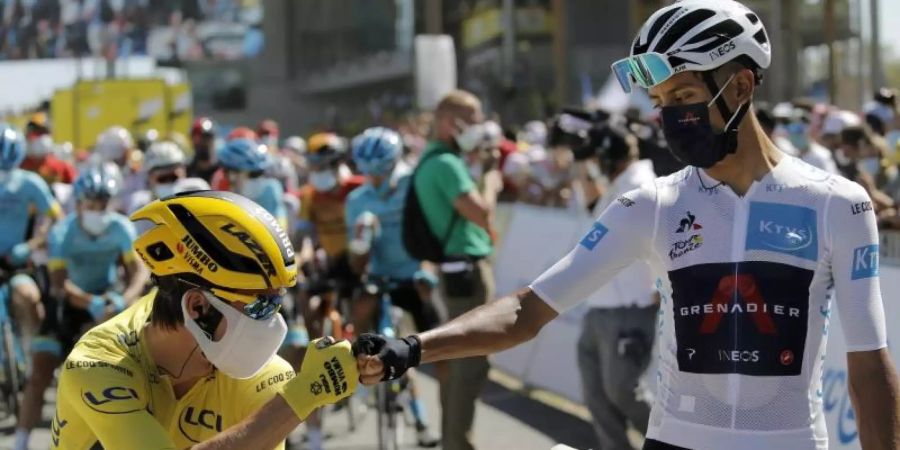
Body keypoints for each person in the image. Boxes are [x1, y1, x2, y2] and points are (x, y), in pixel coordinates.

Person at [354, 2, 900, 450]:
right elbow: (527, 310)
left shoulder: (837, 204)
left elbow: (870, 368)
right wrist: (411, 348)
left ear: (740, 87)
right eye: (659, 102)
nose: (668, 117)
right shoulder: (652, 204)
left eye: (683, 97)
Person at [51, 190, 358, 449]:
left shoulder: (266, 376)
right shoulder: (96, 364)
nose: (274, 322)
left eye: (277, 304)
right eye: (260, 306)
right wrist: (304, 396)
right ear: (198, 307)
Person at [15, 163, 150, 450]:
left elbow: (138, 272)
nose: (97, 210)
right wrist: (91, 302)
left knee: (107, 371)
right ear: (79, 203)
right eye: (91, 203)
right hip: (67, 304)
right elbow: (57, 282)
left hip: (107, 302)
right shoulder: (62, 231)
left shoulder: (120, 227)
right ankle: (21, 441)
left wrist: (123, 300)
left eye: (103, 203)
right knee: (39, 372)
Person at [409, 90, 495, 450]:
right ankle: (458, 444)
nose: (479, 127)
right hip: (466, 274)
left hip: (456, 270)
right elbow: (481, 213)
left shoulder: (435, 160)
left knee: (463, 365)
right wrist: (491, 182)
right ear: (449, 122)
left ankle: (453, 440)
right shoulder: (445, 164)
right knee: (469, 367)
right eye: (472, 120)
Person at [345, 127, 440, 447]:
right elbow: (357, 265)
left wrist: (428, 268)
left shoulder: (415, 184)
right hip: (380, 278)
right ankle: (358, 366)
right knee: (364, 312)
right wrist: (360, 241)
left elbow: (434, 232)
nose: (374, 179)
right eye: (367, 172)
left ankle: (426, 418)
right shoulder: (357, 200)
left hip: (415, 276)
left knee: (435, 344)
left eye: (381, 171)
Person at [578, 123, 658, 450]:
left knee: (623, 392)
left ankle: (675, 443)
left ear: (609, 156)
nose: (593, 164)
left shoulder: (640, 185)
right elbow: (592, 207)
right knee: (597, 398)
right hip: (599, 306)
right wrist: (581, 156)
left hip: (630, 307)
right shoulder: (617, 185)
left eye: (596, 156)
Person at [0, 124, 62, 350]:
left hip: (15, 264)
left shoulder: (30, 183)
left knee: (28, 298)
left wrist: (32, 244)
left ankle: (32, 354)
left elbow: (57, 218)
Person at [295, 132, 364, 304]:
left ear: (338, 163)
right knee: (305, 298)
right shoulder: (308, 195)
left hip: (361, 264)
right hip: (329, 263)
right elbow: (303, 234)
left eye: (322, 166)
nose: (317, 172)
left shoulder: (359, 188)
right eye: (314, 166)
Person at [125, 140, 212, 216]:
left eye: (173, 177)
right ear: (150, 178)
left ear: (184, 172)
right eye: (162, 178)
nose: (169, 183)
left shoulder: (199, 190)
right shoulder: (139, 206)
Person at [217, 137, 288, 228]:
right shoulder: (224, 190)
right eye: (226, 171)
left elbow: (279, 229)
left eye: (235, 172)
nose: (230, 178)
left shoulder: (270, 189)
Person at [20, 113, 78, 186]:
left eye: (40, 132)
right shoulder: (20, 167)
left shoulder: (62, 166)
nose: (35, 138)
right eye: (33, 132)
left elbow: (77, 188)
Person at [784, 108, 839, 175]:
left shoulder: (822, 156)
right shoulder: (790, 156)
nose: (795, 134)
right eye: (791, 130)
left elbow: (832, 180)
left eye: (799, 130)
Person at [187, 116, 219, 182]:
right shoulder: (187, 171)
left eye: (208, 138)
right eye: (203, 138)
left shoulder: (223, 170)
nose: (206, 143)